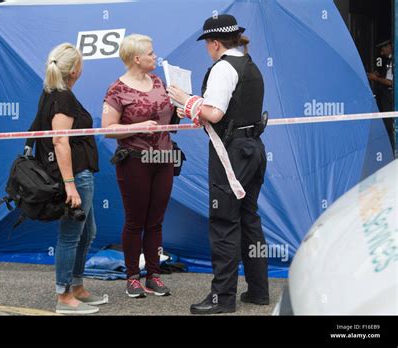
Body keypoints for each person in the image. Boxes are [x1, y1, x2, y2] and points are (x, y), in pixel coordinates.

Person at [168, 14, 269, 314]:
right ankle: (259, 291)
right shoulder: (250, 65)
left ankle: (221, 299)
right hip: (254, 149)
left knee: (225, 223)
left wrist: (185, 100)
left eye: (207, 45)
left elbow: (214, 113)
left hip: (233, 153)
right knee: (249, 219)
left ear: (214, 44)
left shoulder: (224, 68)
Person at [34, 43, 106, 314]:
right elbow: (60, 141)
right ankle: (64, 296)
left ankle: (77, 287)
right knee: (70, 236)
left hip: (80, 174)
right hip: (75, 176)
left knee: (88, 232)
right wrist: (70, 185)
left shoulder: (54, 94)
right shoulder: (61, 98)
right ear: (75, 70)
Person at [102, 34, 174, 298]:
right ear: (136, 58)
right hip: (134, 160)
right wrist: (137, 127)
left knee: (156, 221)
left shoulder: (158, 82)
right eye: (151, 53)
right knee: (135, 221)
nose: (155, 57)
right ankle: (133, 277)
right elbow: (107, 130)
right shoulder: (117, 90)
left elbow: (170, 114)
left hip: (164, 159)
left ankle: (154, 275)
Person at [368, 39, 395, 151]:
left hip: (389, 97)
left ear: (389, 47)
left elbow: (390, 82)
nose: (381, 51)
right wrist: (376, 74)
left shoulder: (394, 61)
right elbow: (384, 73)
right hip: (383, 97)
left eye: (383, 48)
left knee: (389, 125)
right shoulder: (386, 60)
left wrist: (375, 79)